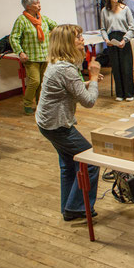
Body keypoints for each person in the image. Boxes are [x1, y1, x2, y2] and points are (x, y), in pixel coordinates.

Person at [36, 24, 102, 222]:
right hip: (57, 126)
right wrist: (93, 79)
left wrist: (87, 83)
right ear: (67, 43)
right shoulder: (66, 69)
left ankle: (69, 207)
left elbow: (71, 88)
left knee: (68, 165)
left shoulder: (58, 64)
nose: (82, 39)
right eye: (78, 37)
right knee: (90, 161)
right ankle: (77, 208)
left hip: (48, 124)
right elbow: (88, 101)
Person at [9, 0, 58, 114]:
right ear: (28, 6)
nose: (39, 5)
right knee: (34, 81)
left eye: (39, 2)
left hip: (45, 56)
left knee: (43, 82)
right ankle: (27, 104)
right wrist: (20, 52)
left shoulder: (43, 18)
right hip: (31, 57)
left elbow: (56, 27)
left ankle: (41, 104)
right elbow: (14, 38)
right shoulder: (21, 20)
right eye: (36, 3)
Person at [100, 0, 134, 101]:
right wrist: (106, 40)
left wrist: (124, 40)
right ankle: (119, 94)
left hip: (123, 38)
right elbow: (103, 29)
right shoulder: (104, 11)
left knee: (126, 67)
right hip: (112, 40)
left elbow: (132, 28)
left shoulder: (125, 8)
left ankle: (129, 94)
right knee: (116, 68)